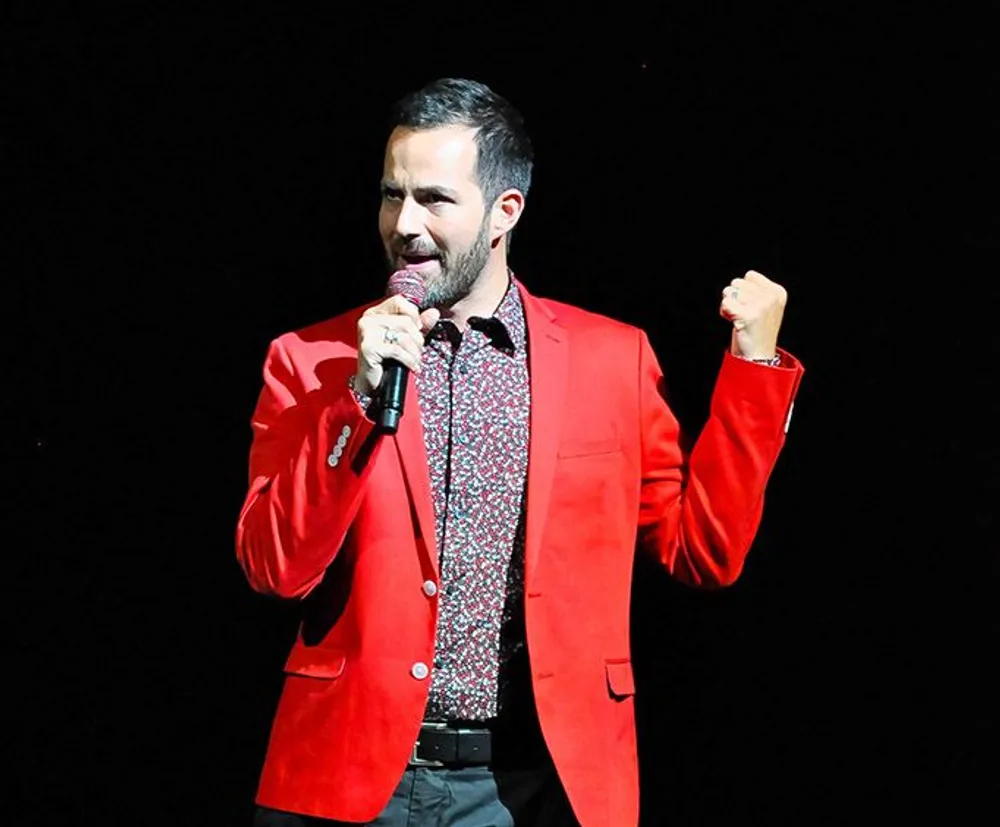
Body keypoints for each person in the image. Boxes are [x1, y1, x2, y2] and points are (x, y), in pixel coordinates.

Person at [236, 77, 805, 827]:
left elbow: (703, 550)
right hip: (347, 777)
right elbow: (274, 568)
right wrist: (356, 398)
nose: (403, 224)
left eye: (435, 199)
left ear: (506, 211)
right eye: (390, 194)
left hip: (535, 785)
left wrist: (753, 367)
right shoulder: (311, 359)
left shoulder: (612, 358)